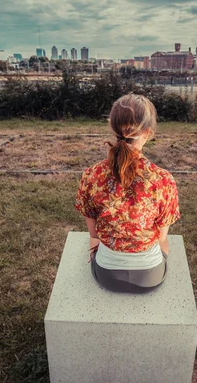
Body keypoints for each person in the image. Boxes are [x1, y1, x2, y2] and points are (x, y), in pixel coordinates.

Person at [75, 94, 181, 293]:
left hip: (107, 276)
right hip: (151, 277)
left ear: (113, 128)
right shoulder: (163, 179)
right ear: (148, 133)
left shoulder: (91, 176)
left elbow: (94, 234)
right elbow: (161, 239)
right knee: (164, 248)